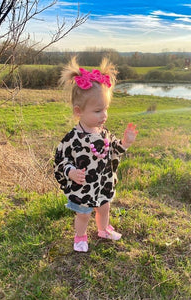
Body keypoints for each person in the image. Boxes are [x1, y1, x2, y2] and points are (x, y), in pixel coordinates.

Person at [54, 57, 138, 252]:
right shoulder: (72, 138)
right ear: (78, 111)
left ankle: (103, 229)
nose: (104, 115)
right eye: (98, 110)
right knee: (83, 214)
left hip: (103, 183)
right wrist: (70, 171)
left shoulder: (103, 132)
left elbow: (113, 149)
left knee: (104, 207)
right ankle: (80, 237)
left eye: (106, 109)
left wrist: (126, 142)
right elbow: (60, 159)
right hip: (83, 188)